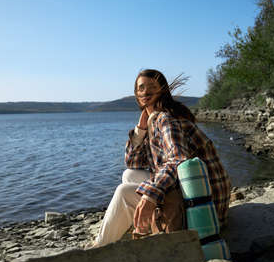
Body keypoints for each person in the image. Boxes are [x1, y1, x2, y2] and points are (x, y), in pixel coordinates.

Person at [90, 69, 231, 248]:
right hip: (200, 193)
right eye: (141, 88)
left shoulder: (166, 119)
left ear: (162, 91)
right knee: (129, 175)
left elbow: (178, 159)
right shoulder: (154, 119)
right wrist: (140, 132)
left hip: (204, 209)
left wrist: (150, 196)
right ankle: (136, 222)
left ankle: (100, 247)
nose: (146, 92)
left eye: (151, 87)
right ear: (136, 93)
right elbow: (133, 163)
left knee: (124, 192)